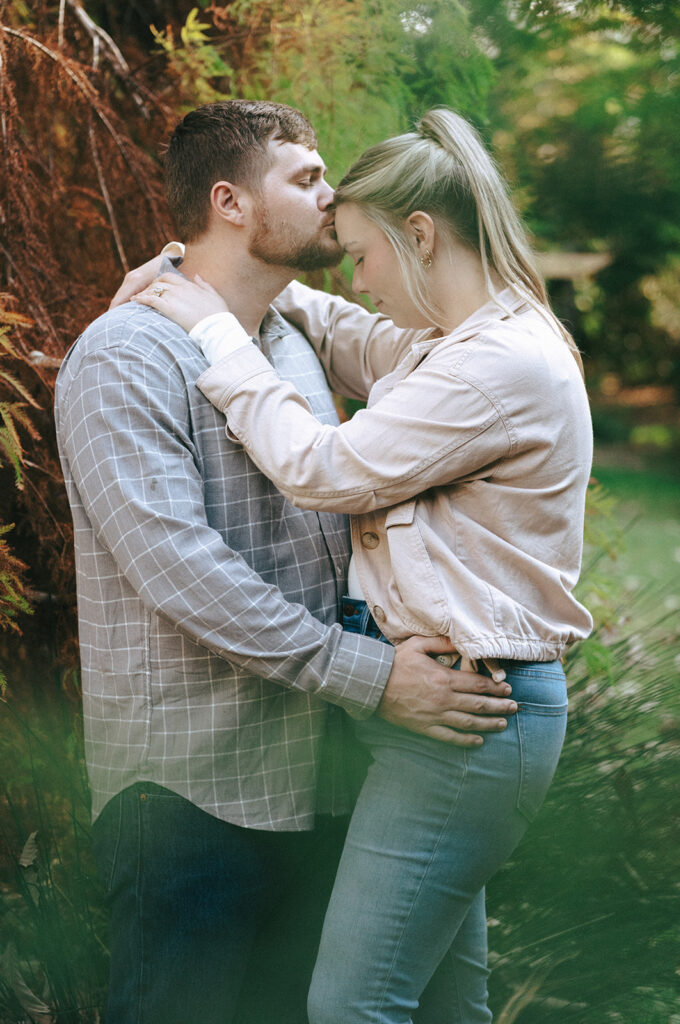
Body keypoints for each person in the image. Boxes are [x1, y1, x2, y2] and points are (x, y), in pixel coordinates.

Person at [54, 100, 517, 1024]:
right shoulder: (124, 355)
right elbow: (180, 569)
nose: (332, 192)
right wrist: (372, 678)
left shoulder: (290, 340)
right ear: (229, 201)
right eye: (306, 178)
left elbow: (441, 350)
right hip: (191, 789)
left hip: (316, 774)